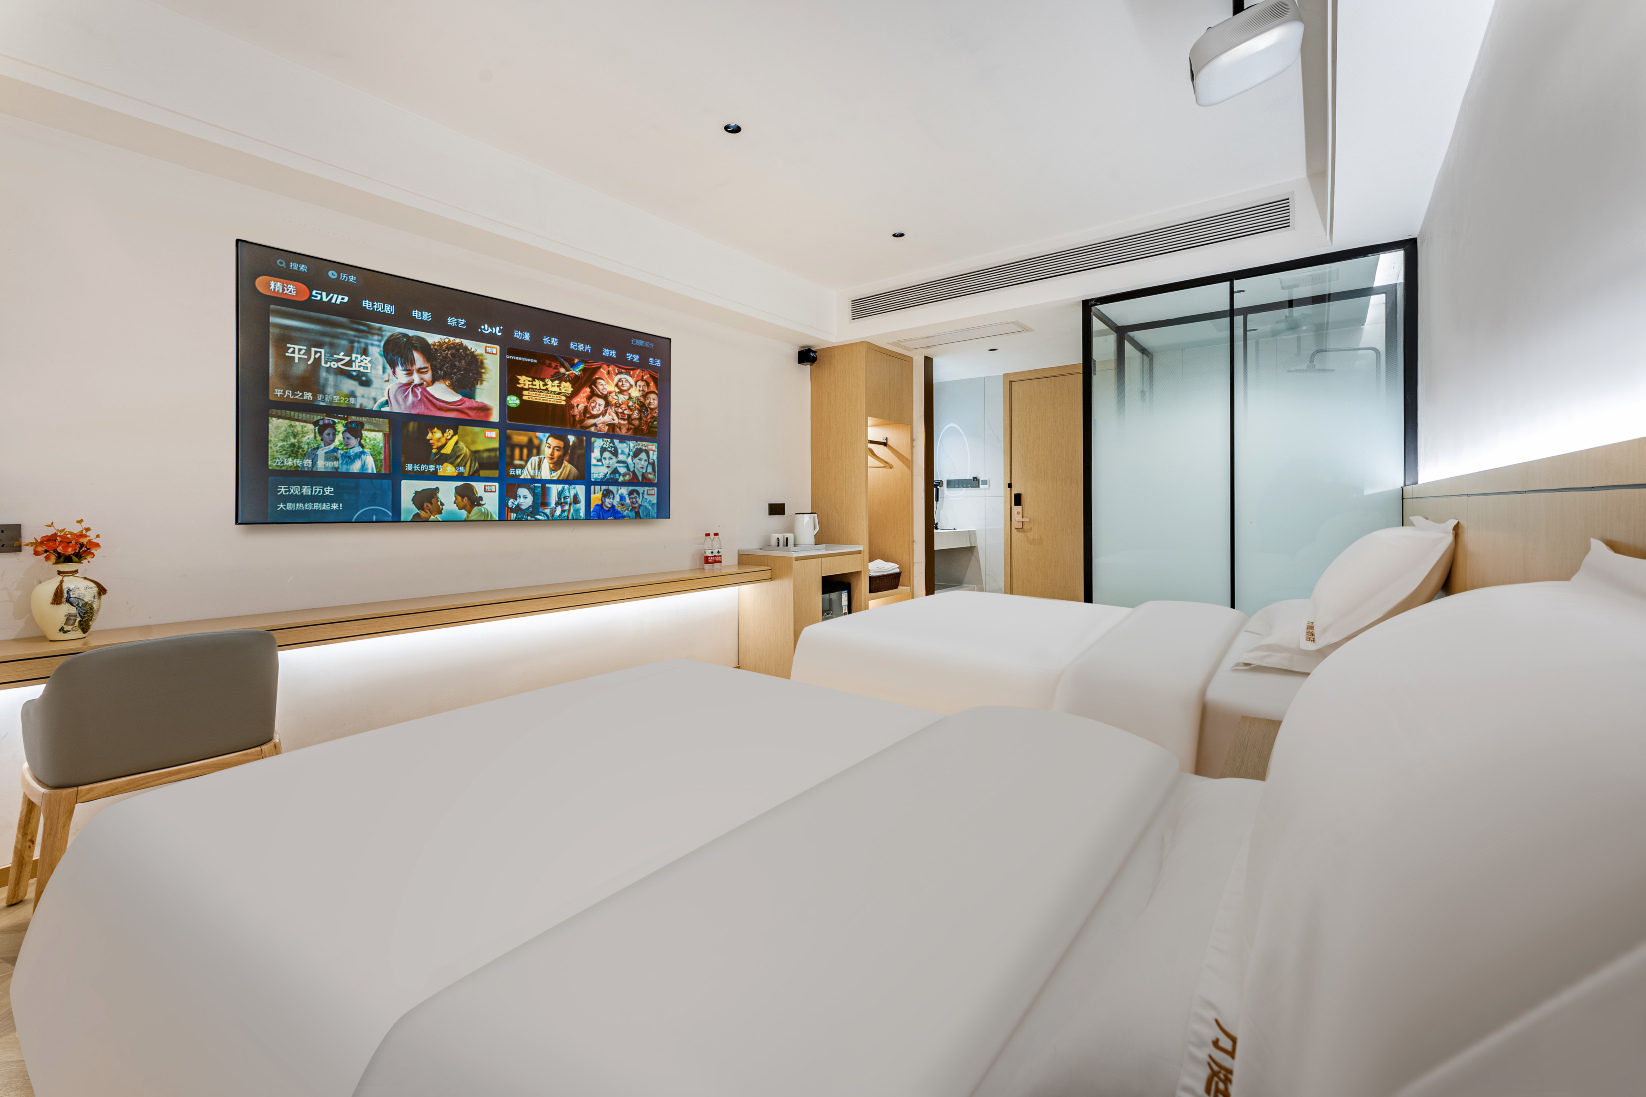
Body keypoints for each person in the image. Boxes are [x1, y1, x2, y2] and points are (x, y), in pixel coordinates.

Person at [385, 335, 494, 420]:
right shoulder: (483, 410)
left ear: (433, 368)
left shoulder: (398, 393)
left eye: (424, 371)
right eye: (407, 373)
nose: (417, 381)